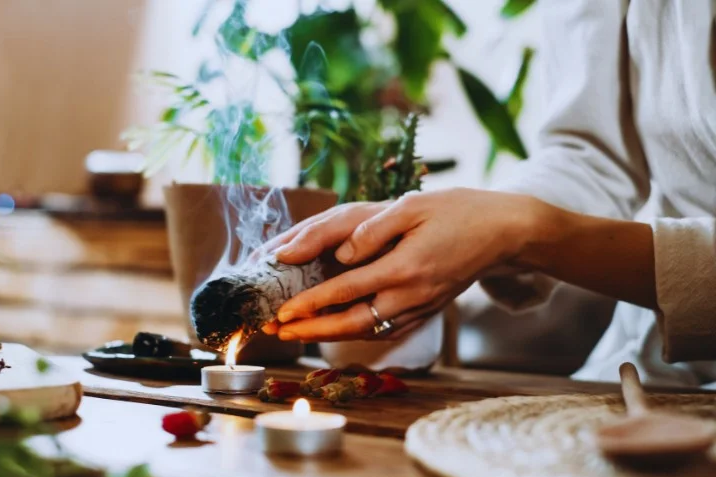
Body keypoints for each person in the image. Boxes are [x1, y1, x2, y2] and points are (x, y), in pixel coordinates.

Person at [263, 1, 716, 387]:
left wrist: (523, 232)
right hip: (647, 372)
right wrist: (470, 229)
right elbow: (589, 156)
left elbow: (535, 224)